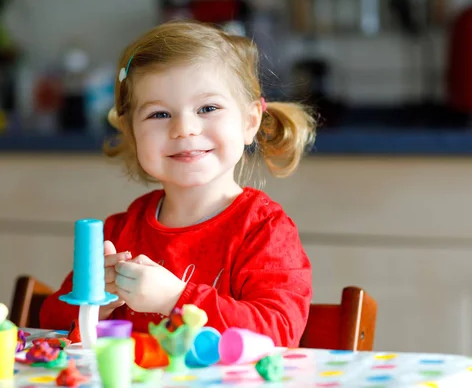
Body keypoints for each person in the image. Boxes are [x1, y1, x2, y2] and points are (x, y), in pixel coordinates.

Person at [40, 20, 316, 348]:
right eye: (159, 114)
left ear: (250, 121)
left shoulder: (264, 232)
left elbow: (279, 332)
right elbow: (50, 323)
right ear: (131, 131)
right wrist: (96, 301)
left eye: (208, 108)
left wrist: (176, 299)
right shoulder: (120, 232)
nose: (184, 128)